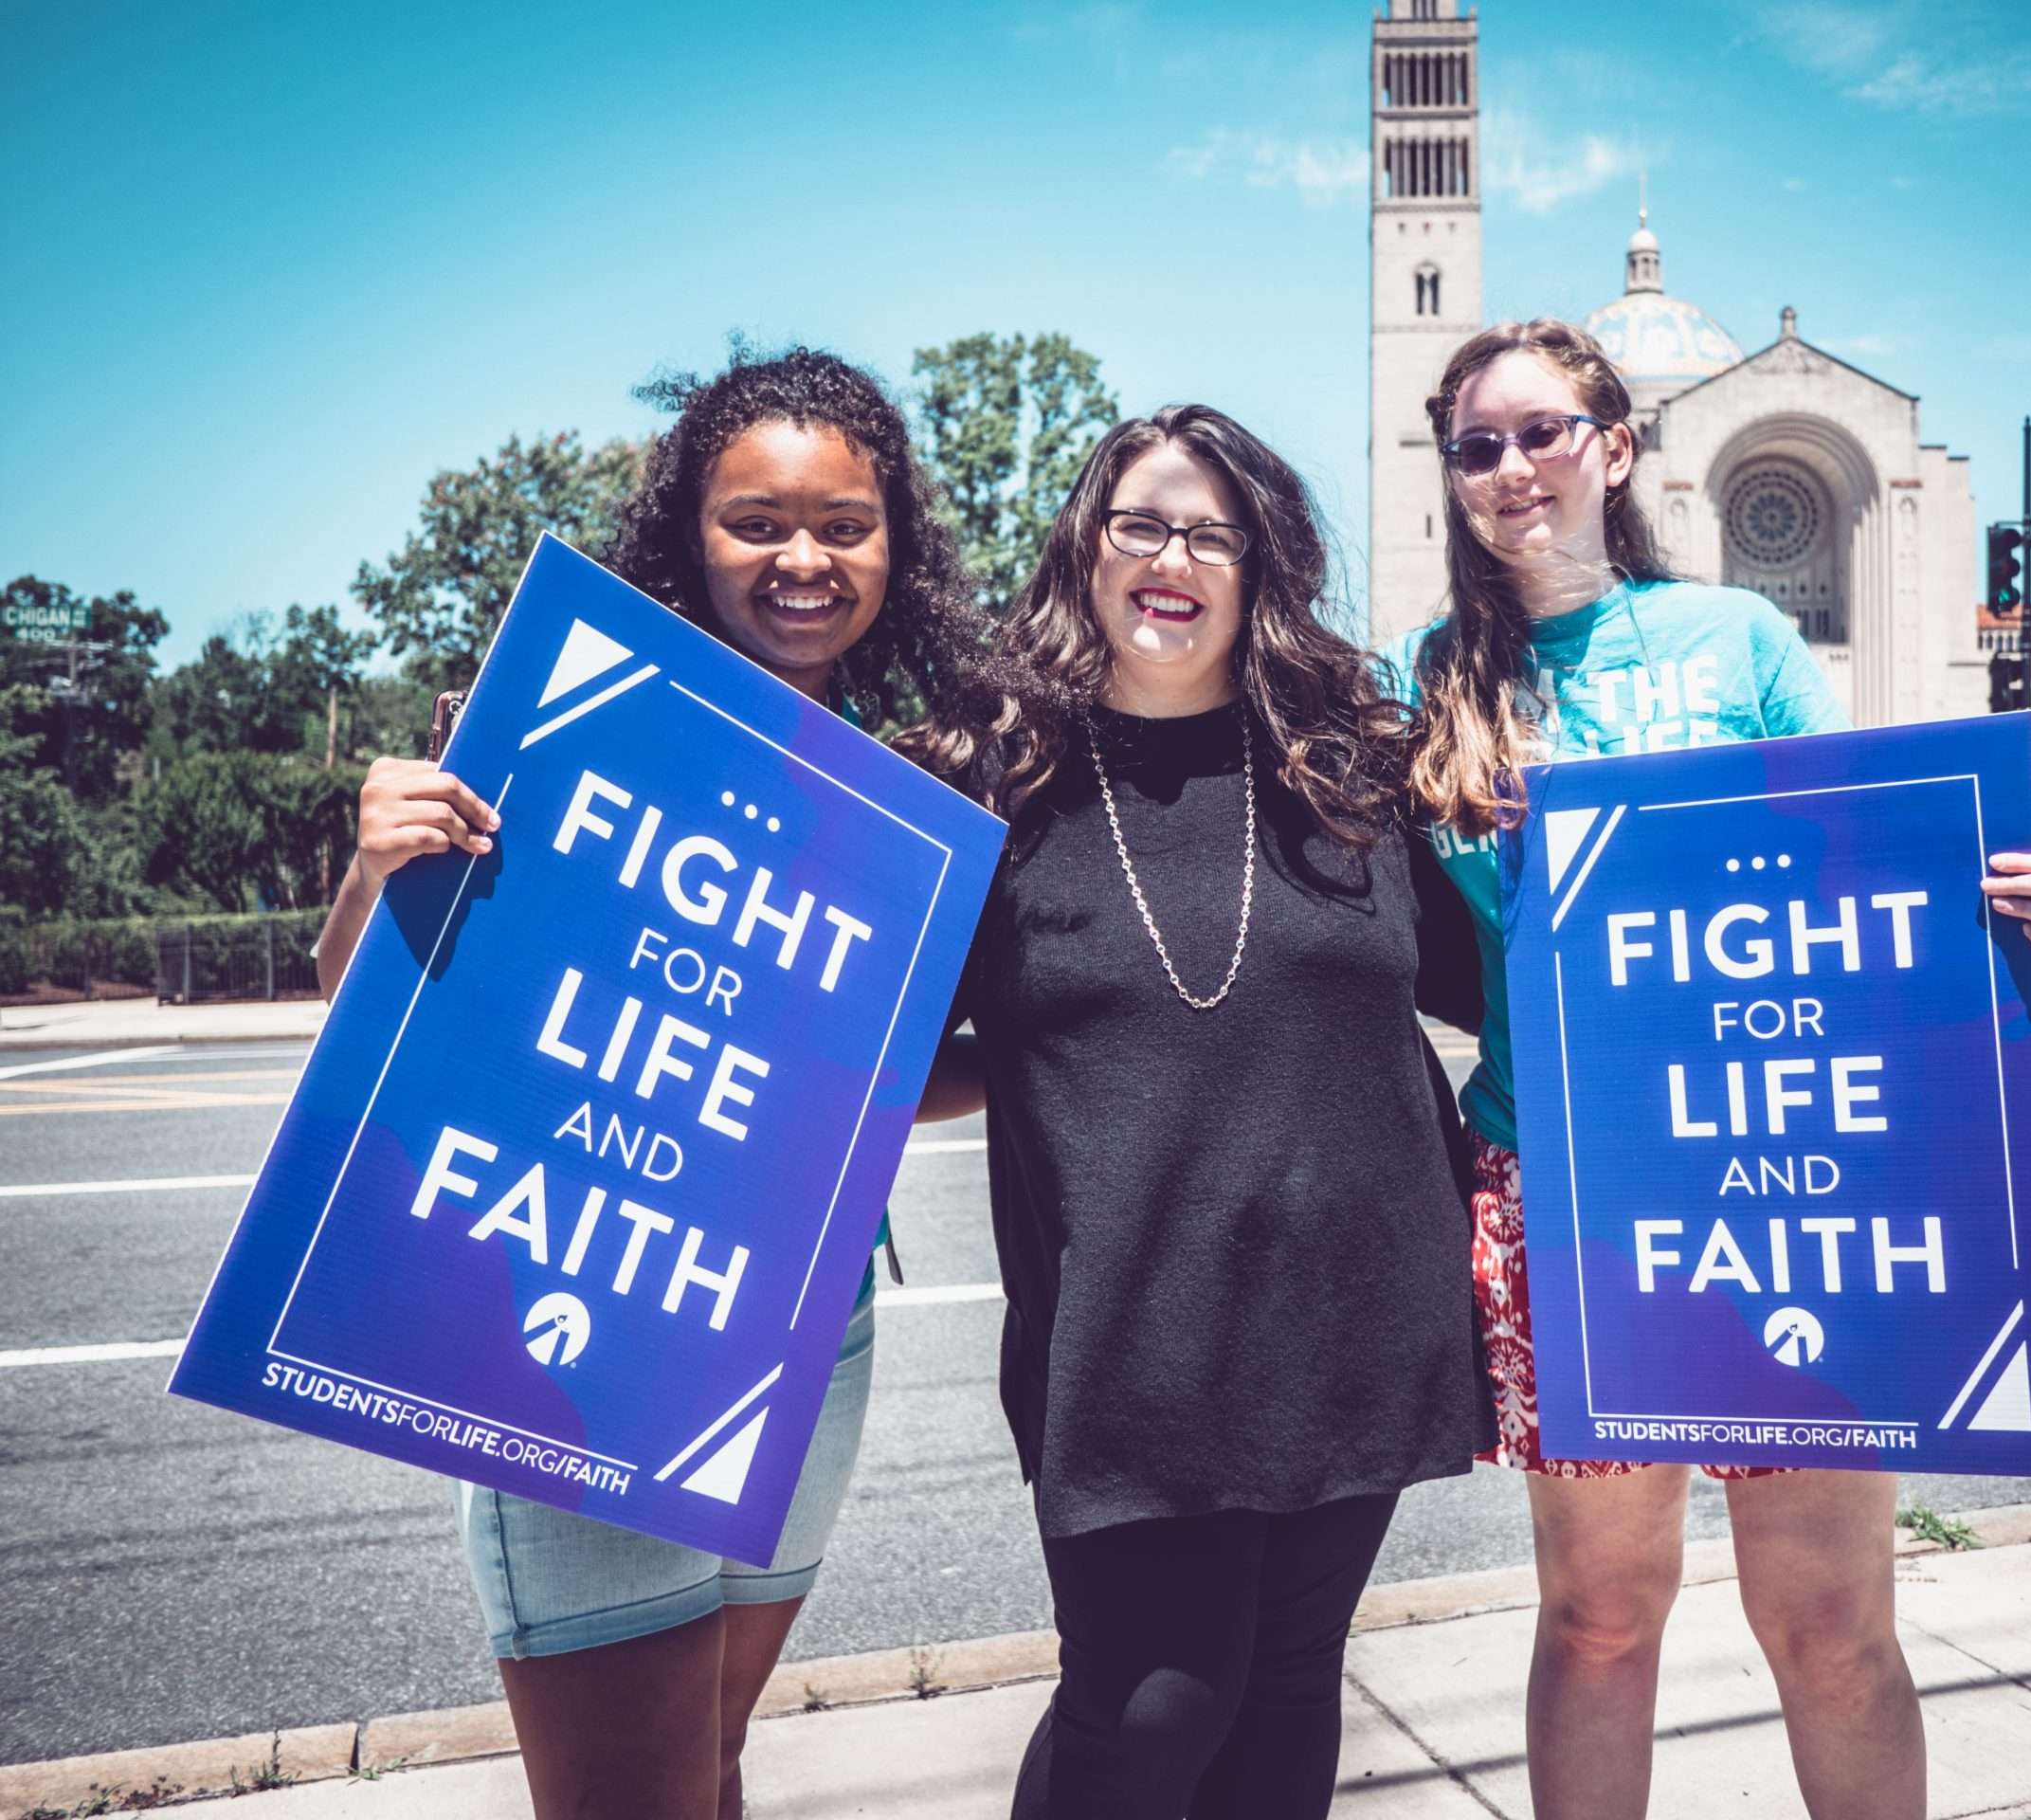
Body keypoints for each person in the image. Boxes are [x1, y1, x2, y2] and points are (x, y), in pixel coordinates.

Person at [1379, 318, 2031, 1820]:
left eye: (1543, 432)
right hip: (1569, 1191)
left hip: (1788, 1181)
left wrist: (2002, 900)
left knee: (1829, 1628)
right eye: (1476, 446)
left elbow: (1856, 879)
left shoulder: (1738, 644)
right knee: (1597, 1620)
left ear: (1616, 446)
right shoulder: (1426, 680)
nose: (1510, 468)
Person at [311, 345, 989, 1820]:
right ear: (690, 528)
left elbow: (895, 1080)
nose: (803, 557)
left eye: (845, 524)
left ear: (896, 546)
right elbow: (367, 1001)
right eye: (757, 521)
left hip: (814, 1328)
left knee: (716, 1760)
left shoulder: (904, 787)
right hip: (583, 1330)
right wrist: (383, 859)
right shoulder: (568, 719)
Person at [899, 404, 1495, 1819]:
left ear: (1261, 567)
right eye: (1143, 523)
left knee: (1289, 1692)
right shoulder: (988, 780)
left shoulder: (1353, 766)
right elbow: (874, 1053)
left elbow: (1521, 983)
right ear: (1088, 548)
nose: (1176, 556)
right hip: (1128, 1343)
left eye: (1213, 533)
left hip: (1358, 1318)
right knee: (1149, 1709)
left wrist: (1926, 923)